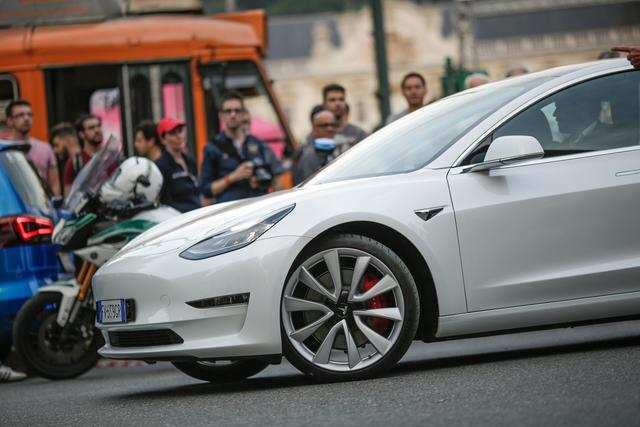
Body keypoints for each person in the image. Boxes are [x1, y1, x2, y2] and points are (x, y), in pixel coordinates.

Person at [200, 91, 283, 204]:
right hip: (231, 210)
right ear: (221, 115)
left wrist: (262, 180)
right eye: (228, 111)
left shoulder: (259, 144)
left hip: (259, 206)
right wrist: (232, 177)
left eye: (237, 110)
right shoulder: (212, 148)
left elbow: (277, 180)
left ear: (243, 114)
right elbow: (206, 190)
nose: (233, 115)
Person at [5, 99, 60, 196]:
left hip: (42, 202)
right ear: (9, 121)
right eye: (20, 115)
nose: (26, 118)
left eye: (29, 114)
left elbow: (54, 184)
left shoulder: (46, 148)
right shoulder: (3, 149)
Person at [154, 117, 201, 213]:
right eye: (173, 133)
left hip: (198, 214)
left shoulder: (190, 161)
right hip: (177, 217)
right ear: (163, 139)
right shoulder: (160, 166)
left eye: (180, 131)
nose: (179, 136)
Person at [293, 106, 338, 185]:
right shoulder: (309, 153)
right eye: (324, 125)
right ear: (314, 128)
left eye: (333, 125)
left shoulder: (336, 149)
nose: (329, 128)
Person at [321, 83, 368, 155]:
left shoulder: (359, 134)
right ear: (324, 105)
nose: (337, 103)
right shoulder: (317, 135)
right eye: (332, 100)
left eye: (341, 99)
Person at [63, 114, 104, 195]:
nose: (97, 130)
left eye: (98, 126)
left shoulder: (115, 157)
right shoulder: (75, 163)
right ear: (81, 134)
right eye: (91, 128)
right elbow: (69, 196)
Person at [50, 122, 81, 197]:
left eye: (56, 145)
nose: (55, 150)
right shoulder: (71, 162)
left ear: (68, 139)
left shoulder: (74, 163)